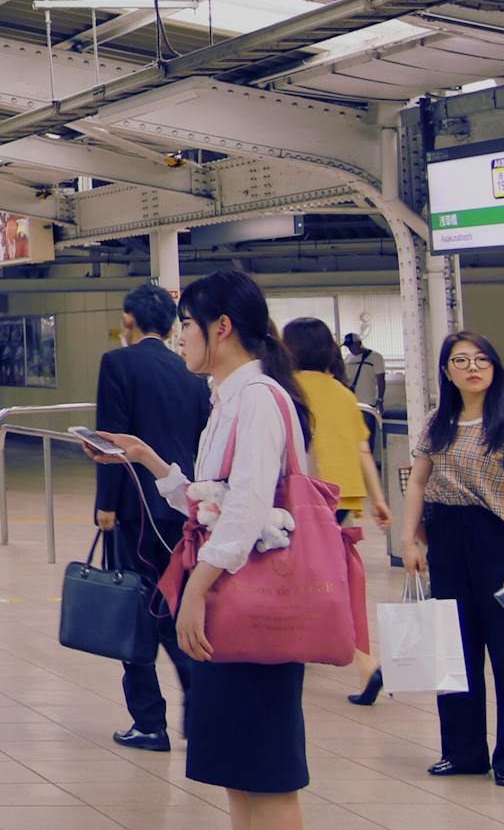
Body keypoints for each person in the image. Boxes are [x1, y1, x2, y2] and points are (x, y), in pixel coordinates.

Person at [86, 269, 316, 828]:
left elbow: (246, 511)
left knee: (267, 774)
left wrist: (198, 587)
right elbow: (211, 500)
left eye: (187, 324)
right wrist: (148, 460)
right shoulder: (226, 399)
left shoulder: (258, 399)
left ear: (223, 327)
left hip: (253, 604)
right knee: (241, 771)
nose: (180, 336)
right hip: (235, 600)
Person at [397, 330, 504, 786]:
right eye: (462, 361)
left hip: (499, 546)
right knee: (452, 649)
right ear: (447, 372)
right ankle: (463, 752)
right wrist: (408, 540)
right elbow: (418, 481)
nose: (473, 368)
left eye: (482, 359)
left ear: (494, 368)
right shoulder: (437, 422)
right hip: (447, 542)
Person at [92, 282, 212, 751]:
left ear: (129, 321)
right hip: (183, 505)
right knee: (175, 606)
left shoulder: (116, 363)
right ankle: (201, 712)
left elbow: (113, 441)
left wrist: (105, 504)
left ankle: (148, 721)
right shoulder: (191, 372)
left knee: (137, 614)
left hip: (136, 509)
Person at [285, 316, 391, 704]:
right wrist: (377, 499)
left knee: (308, 576)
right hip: (343, 498)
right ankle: (318, 649)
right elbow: (363, 448)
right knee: (326, 574)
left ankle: (363, 660)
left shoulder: (288, 391)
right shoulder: (344, 394)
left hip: (305, 498)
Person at [344, 333, 386, 414]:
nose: (350, 348)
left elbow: (381, 379)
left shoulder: (375, 357)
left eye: (352, 345)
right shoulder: (347, 358)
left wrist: (380, 399)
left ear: (359, 343)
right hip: (351, 402)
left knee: (368, 425)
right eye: (348, 346)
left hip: (368, 402)